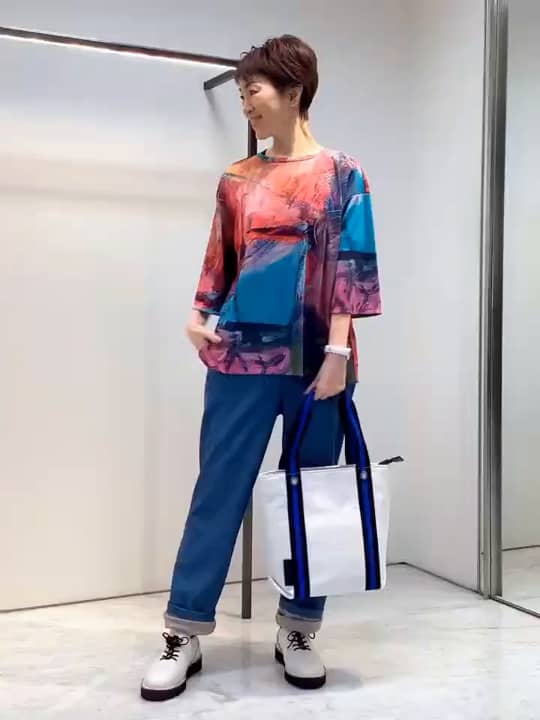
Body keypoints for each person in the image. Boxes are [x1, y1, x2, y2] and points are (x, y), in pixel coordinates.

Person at [141, 34, 381, 701]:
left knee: (311, 497)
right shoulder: (237, 180)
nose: (245, 102)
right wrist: (199, 316)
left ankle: (299, 629)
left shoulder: (343, 173)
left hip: (319, 365)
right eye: (243, 91)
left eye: (254, 89)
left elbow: (355, 268)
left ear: (293, 90)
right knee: (218, 490)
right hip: (240, 357)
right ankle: (183, 630)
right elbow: (219, 261)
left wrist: (338, 353)